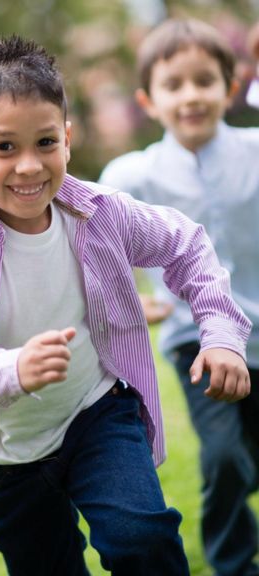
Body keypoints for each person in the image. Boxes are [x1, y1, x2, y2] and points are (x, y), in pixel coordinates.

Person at [0, 35, 252, 575]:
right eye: (3, 148)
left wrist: (221, 333)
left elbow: (188, 246)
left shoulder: (101, 213)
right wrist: (11, 368)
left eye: (45, 142)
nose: (29, 166)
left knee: (143, 539)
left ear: (67, 138)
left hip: (97, 413)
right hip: (5, 453)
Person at [99, 18, 259, 576]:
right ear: (149, 99)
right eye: (174, 85)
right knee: (223, 457)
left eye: (203, 80)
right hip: (196, 340)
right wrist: (129, 300)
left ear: (231, 86)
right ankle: (234, 562)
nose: (190, 95)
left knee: (249, 458)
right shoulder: (132, 175)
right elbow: (98, 250)